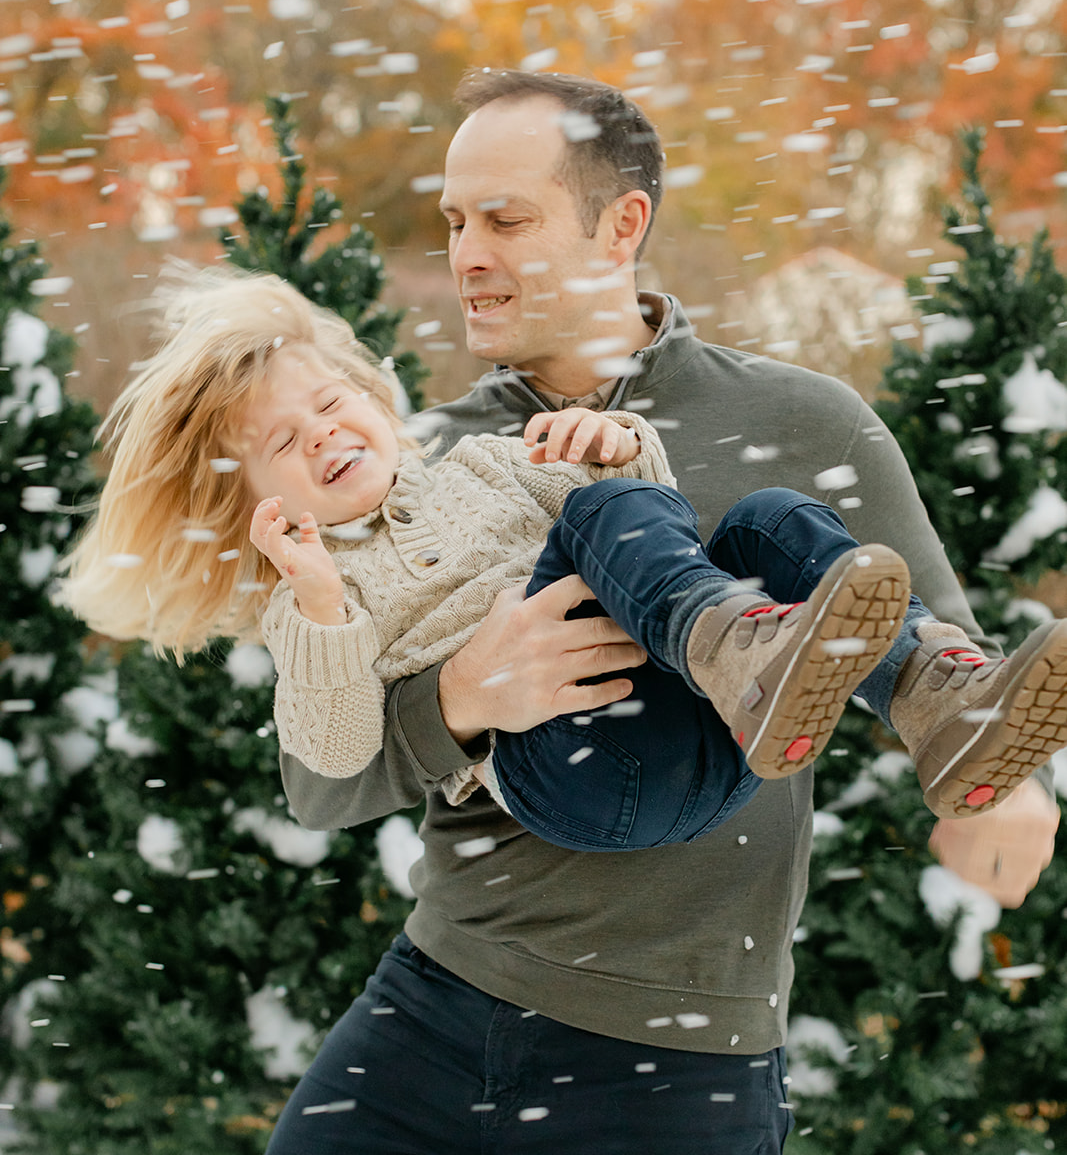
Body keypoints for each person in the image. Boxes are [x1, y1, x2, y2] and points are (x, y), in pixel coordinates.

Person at [179, 74, 1064, 1155]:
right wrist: (465, 695)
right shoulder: (429, 453)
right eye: (451, 219)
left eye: (503, 218)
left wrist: (1010, 797)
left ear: (618, 226)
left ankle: (742, 654)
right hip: (435, 1013)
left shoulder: (802, 422)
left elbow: (934, 649)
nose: (464, 252)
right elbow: (323, 782)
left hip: (677, 1062)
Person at [61, 268, 1066, 856]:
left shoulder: (493, 460)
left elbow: (657, 530)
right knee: (608, 511)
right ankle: (741, 657)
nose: (321, 436)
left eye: (328, 406)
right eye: (284, 444)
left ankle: (933, 704)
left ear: (373, 398)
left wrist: (617, 444)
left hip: (718, 747)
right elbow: (327, 761)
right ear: (260, 501)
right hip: (572, 776)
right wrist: (321, 600)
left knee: (766, 518)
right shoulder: (314, 596)